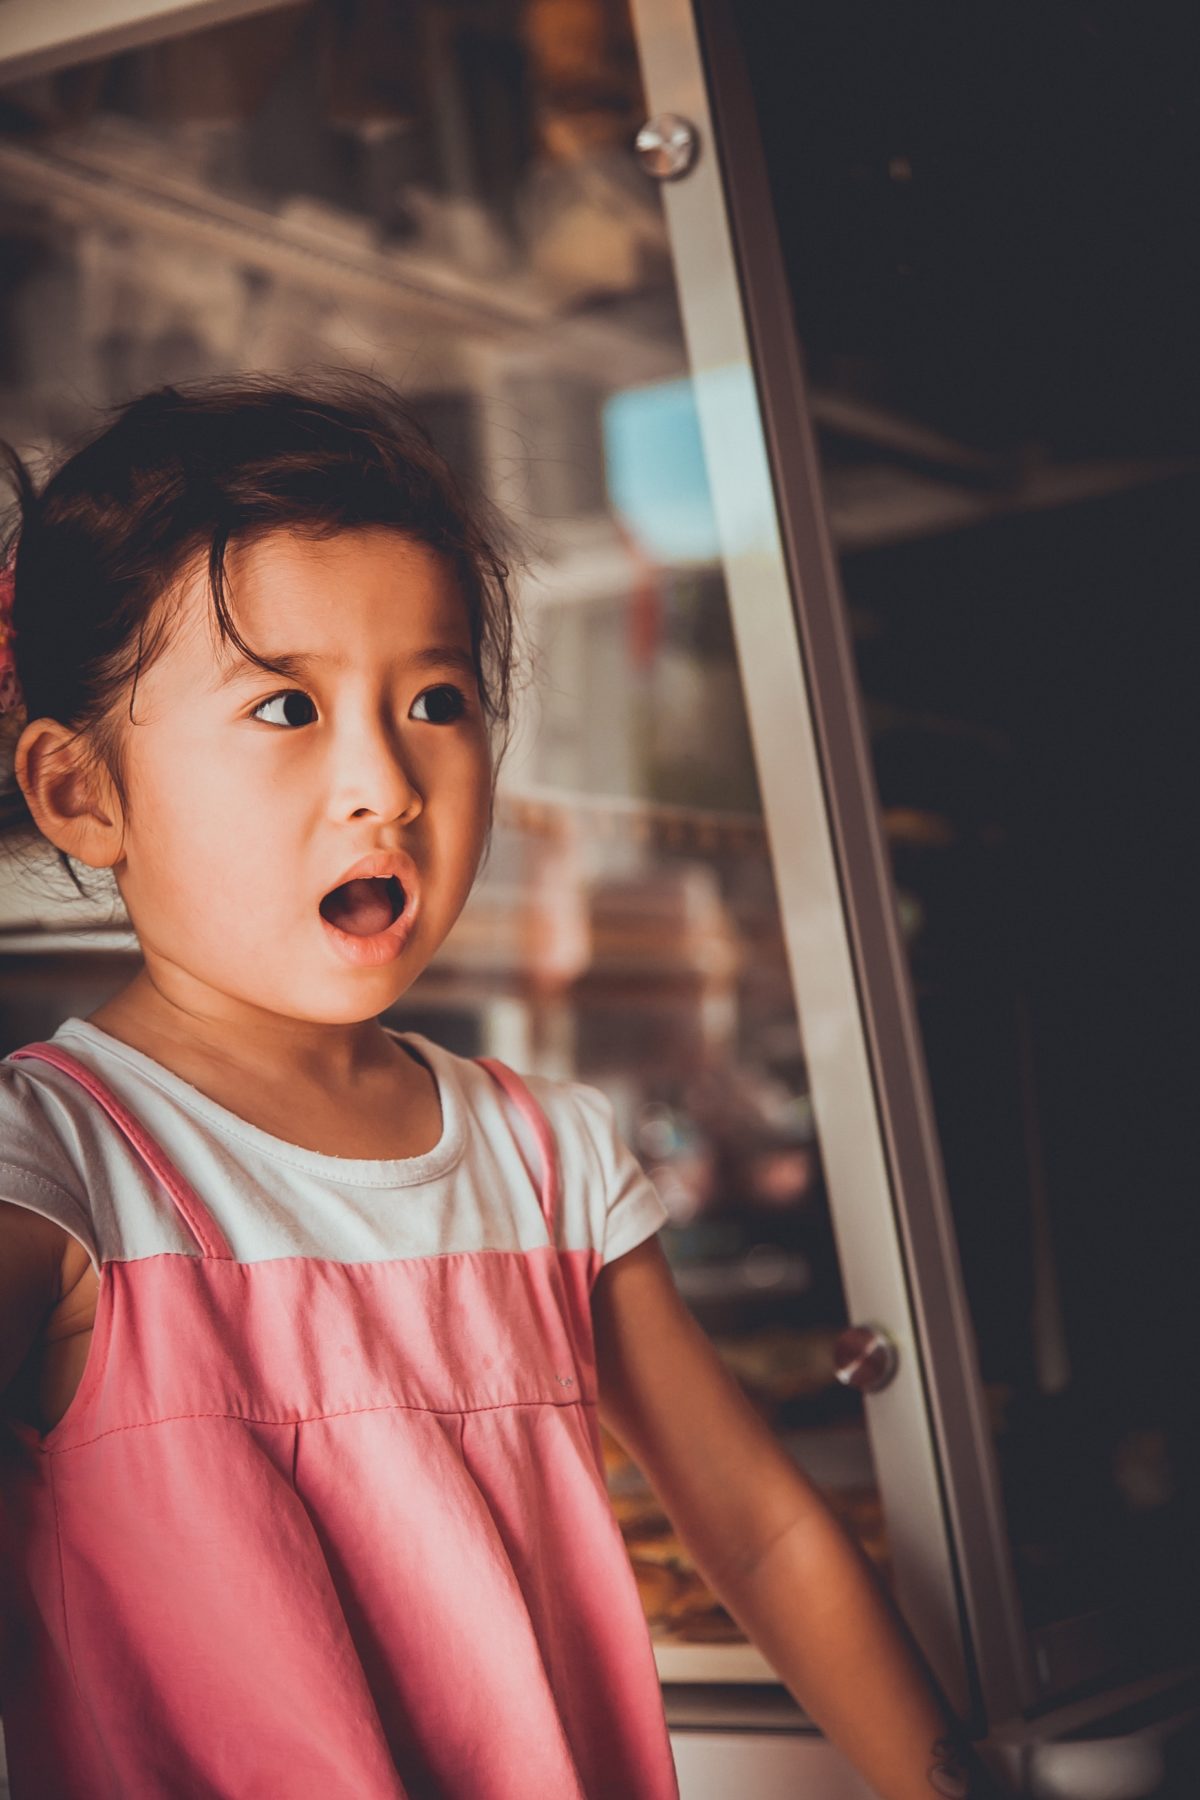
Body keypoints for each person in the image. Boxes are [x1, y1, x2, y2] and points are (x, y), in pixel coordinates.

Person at [0, 375, 999, 1799]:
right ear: (79, 789)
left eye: (436, 700)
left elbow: (760, 1530)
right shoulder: (56, 1166)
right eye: (286, 703)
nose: (387, 784)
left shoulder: (548, 1157)